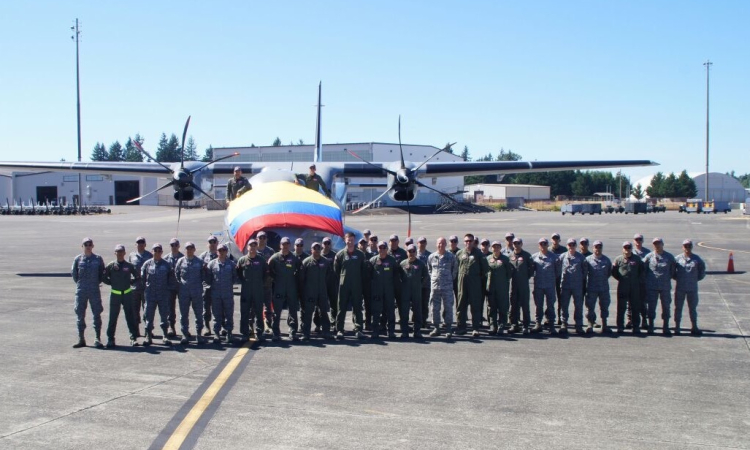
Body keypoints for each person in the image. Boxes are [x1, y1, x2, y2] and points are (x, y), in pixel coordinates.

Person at [103, 244, 140, 348]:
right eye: (117, 252)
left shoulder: (129, 266)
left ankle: (133, 338)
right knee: (113, 317)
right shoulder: (111, 265)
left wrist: (131, 281)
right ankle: (110, 338)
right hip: (115, 295)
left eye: (121, 252)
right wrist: (112, 283)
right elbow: (104, 277)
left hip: (127, 294)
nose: (119, 254)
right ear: (115, 253)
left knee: (130, 316)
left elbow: (137, 276)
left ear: (124, 253)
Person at [71, 237, 106, 348]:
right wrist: (82, 284)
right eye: (86, 244)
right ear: (82, 246)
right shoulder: (78, 259)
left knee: (97, 314)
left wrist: (94, 283)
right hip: (81, 290)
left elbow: (102, 274)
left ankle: (97, 338)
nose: (88, 246)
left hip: (94, 290)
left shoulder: (98, 259)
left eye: (90, 244)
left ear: (93, 246)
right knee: (80, 314)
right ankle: (81, 339)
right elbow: (74, 275)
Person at [333, 232, 368, 339]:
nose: (350, 241)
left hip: (356, 285)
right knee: (341, 307)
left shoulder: (360, 255)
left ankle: (358, 329)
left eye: (352, 239)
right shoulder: (340, 255)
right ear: (345, 240)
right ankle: (339, 329)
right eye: (348, 239)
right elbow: (336, 271)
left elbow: (363, 271)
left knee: (357, 307)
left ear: (354, 240)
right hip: (344, 285)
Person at [141, 243, 177, 346]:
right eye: (155, 250)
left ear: (161, 252)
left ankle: (165, 336)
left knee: (164, 316)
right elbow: (142, 279)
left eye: (159, 250)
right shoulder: (147, 264)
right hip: (150, 295)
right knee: (148, 316)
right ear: (152, 252)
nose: (157, 252)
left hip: (163, 295)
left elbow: (171, 280)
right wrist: (147, 290)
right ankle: (148, 336)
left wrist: (167, 291)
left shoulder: (166, 265)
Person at [455, 233, 489, 337]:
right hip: (462, 283)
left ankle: (475, 328)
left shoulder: (479, 254)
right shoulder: (459, 253)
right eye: (466, 241)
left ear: (474, 242)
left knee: (475, 306)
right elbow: (455, 269)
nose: (468, 243)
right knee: (461, 305)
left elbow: (485, 270)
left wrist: (480, 283)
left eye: (470, 241)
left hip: (475, 283)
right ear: (464, 242)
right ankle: (461, 327)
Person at [268, 237, 301, 341]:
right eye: (283, 244)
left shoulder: (294, 257)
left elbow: (299, 270)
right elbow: (269, 270)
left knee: (293, 310)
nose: (285, 246)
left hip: (291, 287)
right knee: (277, 311)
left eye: (287, 244)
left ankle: (293, 331)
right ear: (280, 245)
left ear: (290, 245)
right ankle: (276, 332)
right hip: (279, 287)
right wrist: (275, 279)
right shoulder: (275, 257)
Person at [174, 242, 206, 345]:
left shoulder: (199, 262)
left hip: (197, 292)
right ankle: (184, 334)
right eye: (187, 248)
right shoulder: (180, 261)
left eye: (191, 248)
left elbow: (203, 275)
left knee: (199, 314)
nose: (189, 250)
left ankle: (199, 334)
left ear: (194, 249)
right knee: (184, 314)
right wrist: (182, 285)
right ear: (185, 250)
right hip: (184, 292)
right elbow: (177, 274)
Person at [205, 243, 238, 345]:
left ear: (226, 252)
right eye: (219, 251)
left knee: (229, 314)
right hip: (216, 295)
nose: (221, 252)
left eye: (223, 250)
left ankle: (229, 333)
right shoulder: (211, 264)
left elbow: (234, 278)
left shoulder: (231, 264)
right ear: (217, 252)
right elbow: (208, 279)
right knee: (217, 314)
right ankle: (216, 333)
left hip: (227, 294)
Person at [299, 242, 332, 340]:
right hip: (310, 292)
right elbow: (301, 278)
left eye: (318, 249)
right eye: (315, 248)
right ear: (311, 250)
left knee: (324, 312)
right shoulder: (306, 262)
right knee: (308, 312)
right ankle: (306, 333)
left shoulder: (325, 262)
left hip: (322, 291)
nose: (317, 251)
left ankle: (326, 332)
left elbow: (328, 276)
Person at [643, 237, 676, 335]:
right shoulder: (649, 257)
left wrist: (665, 279)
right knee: (651, 307)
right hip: (652, 287)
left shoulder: (669, 257)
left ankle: (665, 326)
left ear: (662, 244)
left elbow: (672, 271)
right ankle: (651, 326)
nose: (657, 245)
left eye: (659, 243)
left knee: (666, 306)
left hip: (665, 286)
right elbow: (644, 270)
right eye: (655, 244)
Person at [237, 239, 268, 342]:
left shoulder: (261, 260)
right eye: (251, 245)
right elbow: (239, 274)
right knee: (245, 312)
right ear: (247, 247)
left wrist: (260, 284)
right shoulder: (242, 260)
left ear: (257, 247)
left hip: (258, 290)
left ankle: (259, 332)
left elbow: (265, 274)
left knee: (259, 312)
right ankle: (245, 333)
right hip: (246, 291)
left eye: (255, 245)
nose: (253, 247)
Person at [367, 240, 400, 339]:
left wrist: (395, 291)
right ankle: (375, 331)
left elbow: (396, 276)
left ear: (387, 249)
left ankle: (391, 331)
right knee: (376, 311)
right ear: (377, 249)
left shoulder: (392, 260)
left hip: (389, 291)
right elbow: (368, 276)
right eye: (380, 248)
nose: (381, 250)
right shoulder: (372, 261)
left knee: (390, 311)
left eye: (383, 248)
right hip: (377, 291)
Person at [673, 239, 706, 335]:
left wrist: (694, 280)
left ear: (691, 247)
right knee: (678, 307)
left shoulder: (697, 259)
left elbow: (702, 272)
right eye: (685, 246)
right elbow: (672, 272)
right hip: (680, 288)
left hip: (692, 288)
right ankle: (677, 327)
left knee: (693, 308)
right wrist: (679, 279)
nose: (687, 248)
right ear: (682, 247)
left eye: (689, 246)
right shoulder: (677, 259)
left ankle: (694, 326)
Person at [612, 241, 645, 334]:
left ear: (631, 248)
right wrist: (621, 279)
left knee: (635, 307)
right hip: (623, 286)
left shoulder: (637, 259)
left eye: (629, 247)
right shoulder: (618, 259)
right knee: (621, 307)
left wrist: (637, 281)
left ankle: (636, 327)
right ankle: (620, 326)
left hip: (634, 286)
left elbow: (641, 271)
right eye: (625, 248)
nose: (627, 249)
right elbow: (614, 272)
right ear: (623, 249)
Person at [427, 237, 457, 338]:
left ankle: (448, 328)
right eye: (439, 243)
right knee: (435, 308)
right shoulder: (432, 257)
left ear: (446, 245)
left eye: (443, 243)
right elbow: (429, 270)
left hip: (447, 287)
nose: (441, 245)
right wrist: (434, 279)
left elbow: (454, 270)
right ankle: (436, 327)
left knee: (448, 307)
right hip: (435, 287)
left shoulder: (451, 257)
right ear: (436, 244)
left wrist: (447, 280)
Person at [531, 238, 560, 334]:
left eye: (545, 244)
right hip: (538, 286)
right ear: (539, 246)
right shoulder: (534, 257)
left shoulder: (554, 257)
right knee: (538, 306)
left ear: (548, 245)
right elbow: (531, 271)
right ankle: (538, 323)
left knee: (550, 306)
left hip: (550, 286)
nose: (543, 246)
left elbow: (558, 272)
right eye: (541, 244)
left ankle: (551, 324)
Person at [559, 238, 587, 334]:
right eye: (569, 245)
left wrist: (578, 280)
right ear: (567, 246)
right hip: (565, 285)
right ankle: (564, 324)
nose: (571, 247)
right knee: (564, 306)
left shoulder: (581, 257)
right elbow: (558, 269)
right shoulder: (562, 257)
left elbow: (584, 272)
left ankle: (578, 325)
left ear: (576, 246)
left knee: (578, 306)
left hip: (577, 286)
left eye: (573, 245)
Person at [583, 241, 612, 333]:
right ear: (593, 248)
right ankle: (590, 325)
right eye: (596, 247)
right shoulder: (587, 260)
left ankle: (605, 325)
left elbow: (609, 273)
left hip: (603, 288)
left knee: (604, 306)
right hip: (592, 287)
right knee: (590, 307)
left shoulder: (606, 260)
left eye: (599, 247)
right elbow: (584, 273)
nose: (597, 249)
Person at [401, 244, 428, 339]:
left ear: (416, 252)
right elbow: (398, 277)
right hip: (405, 292)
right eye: (409, 251)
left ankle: (417, 331)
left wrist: (420, 285)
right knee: (404, 312)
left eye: (413, 251)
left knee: (417, 311)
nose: (411, 253)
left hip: (416, 291)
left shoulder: (420, 264)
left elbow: (426, 276)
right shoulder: (403, 264)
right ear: (407, 252)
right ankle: (404, 331)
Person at [486, 241, 512, 335]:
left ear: (500, 248)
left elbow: (509, 273)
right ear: (491, 248)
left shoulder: (505, 259)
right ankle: (493, 325)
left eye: (497, 247)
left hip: (502, 288)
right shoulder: (488, 258)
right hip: (491, 287)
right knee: (491, 307)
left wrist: (503, 282)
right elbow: (485, 272)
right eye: (494, 247)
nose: (495, 248)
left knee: (502, 307)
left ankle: (502, 325)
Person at [509, 237, 534, 334]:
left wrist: (525, 277)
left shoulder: (526, 255)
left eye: (518, 243)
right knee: (514, 305)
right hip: (513, 284)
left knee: (525, 306)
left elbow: (531, 269)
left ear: (521, 244)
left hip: (523, 284)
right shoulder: (510, 256)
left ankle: (526, 325)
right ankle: (514, 324)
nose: (516, 245)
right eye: (514, 243)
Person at [128, 236, 152, 336]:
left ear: (145, 244)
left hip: (146, 287)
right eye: (138, 243)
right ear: (136, 244)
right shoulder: (132, 256)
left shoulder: (149, 255)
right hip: (135, 287)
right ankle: (136, 330)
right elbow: (128, 268)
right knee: (134, 310)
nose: (140, 244)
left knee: (147, 309)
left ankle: (148, 330)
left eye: (142, 243)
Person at [629, 233, 650, 330]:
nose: (638, 241)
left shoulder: (648, 253)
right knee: (630, 302)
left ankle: (644, 320)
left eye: (640, 239)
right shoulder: (629, 251)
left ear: (642, 240)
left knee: (643, 302)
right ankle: (630, 319)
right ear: (634, 241)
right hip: (632, 282)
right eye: (636, 240)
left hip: (643, 281)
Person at [163, 238, 184, 338]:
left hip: (181, 287)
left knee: (183, 308)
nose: (174, 247)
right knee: (170, 308)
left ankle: (185, 328)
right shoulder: (166, 259)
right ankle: (171, 327)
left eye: (176, 245)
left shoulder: (183, 258)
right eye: (172, 245)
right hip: (169, 287)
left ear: (179, 246)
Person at [199, 236, 219, 335]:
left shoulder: (222, 254)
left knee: (219, 308)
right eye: (210, 242)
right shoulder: (203, 257)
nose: (212, 244)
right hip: (206, 287)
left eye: (214, 242)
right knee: (206, 308)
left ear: (217, 243)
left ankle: (221, 326)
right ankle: (207, 326)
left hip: (218, 286)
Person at [256, 231, 275, 333]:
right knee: (256, 305)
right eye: (260, 237)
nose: (262, 239)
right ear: (256, 239)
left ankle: (268, 323)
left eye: (264, 237)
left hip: (267, 282)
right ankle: (257, 324)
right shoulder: (252, 250)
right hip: (256, 282)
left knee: (268, 305)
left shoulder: (271, 251)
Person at [549, 232, 566, 325]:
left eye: (557, 238)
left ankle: (560, 317)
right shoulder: (548, 250)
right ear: (551, 240)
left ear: (559, 240)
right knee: (550, 298)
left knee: (561, 298)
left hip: (560, 277)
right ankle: (549, 317)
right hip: (550, 277)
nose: (555, 240)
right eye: (553, 238)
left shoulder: (564, 250)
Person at [416, 236, 432, 329]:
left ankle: (424, 320)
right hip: (416, 284)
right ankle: (417, 320)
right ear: (417, 243)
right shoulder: (413, 254)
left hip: (426, 284)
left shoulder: (430, 255)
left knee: (424, 303)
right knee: (416, 304)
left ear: (426, 243)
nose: (422, 244)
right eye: (420, 242)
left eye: (423, 242)